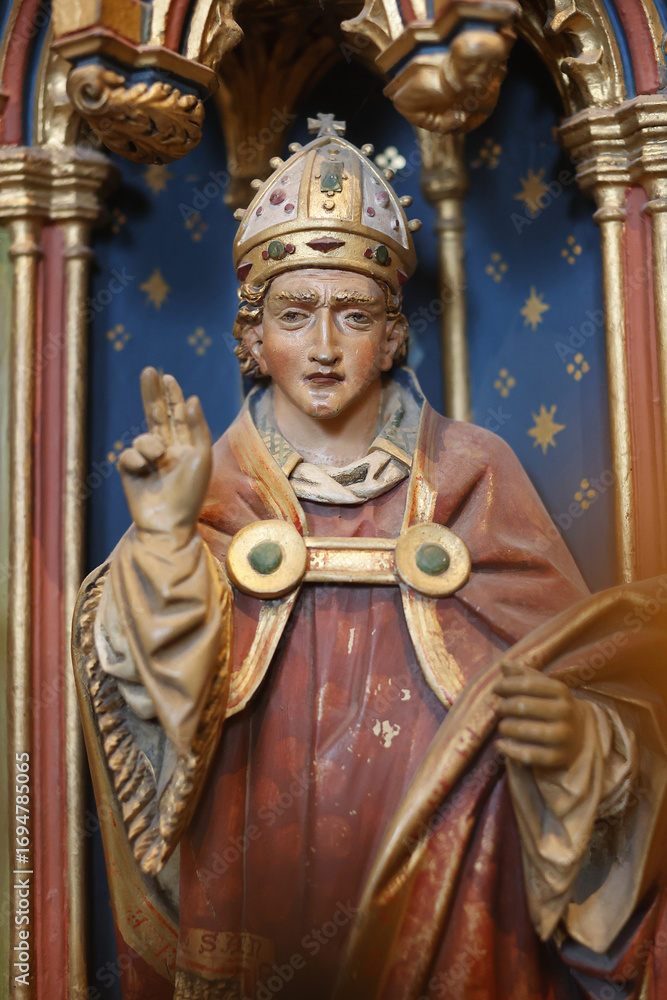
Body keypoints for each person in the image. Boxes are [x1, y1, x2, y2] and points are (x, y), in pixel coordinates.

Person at [73, 116, 667, 1000]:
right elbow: (146, 683)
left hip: (455, 868)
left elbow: (587, 682)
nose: (321, 346)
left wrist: (579, 738)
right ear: (251, 335)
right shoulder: (211, 483)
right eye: (293, 314)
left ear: (393, 335)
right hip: (254, 866)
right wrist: (163, 535)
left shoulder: (471, 475)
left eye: (353, 316)